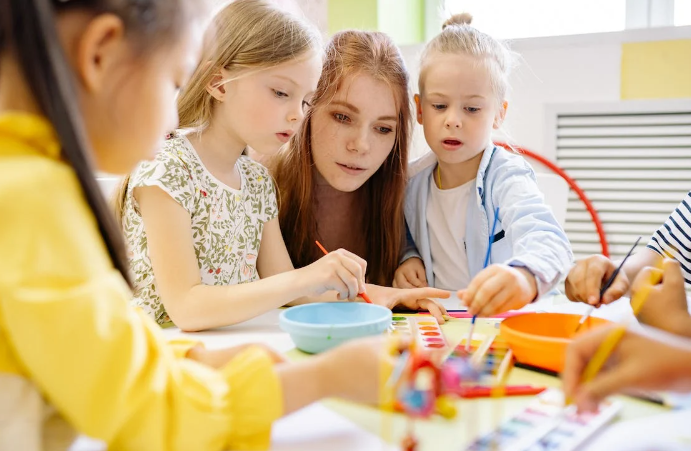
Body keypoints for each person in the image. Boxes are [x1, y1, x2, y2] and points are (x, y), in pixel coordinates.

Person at [0, 0, 410, 449]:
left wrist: (192, 358)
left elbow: (93, 354)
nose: (175, 116)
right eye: (174, 80)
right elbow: (150, 412)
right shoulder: (31, 200)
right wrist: (324, 378)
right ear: (100, 53)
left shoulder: (31, 187)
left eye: (305, 100)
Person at [116, 0, 381, 331]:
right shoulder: (167, 169)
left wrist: (387, 295)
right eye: (281, 92)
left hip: (228, 349)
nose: (297, 114)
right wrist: (303, 279)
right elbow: (186, 308)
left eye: (304, 100)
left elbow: (290, 289)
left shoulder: (257, 182)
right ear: (219, 83)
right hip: (164, 358)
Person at [394, 13, 572, 317]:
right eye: (439, 106)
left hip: (501, 321)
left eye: (472, 108)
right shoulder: (411, 180)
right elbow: (403, 231)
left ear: (498, 114)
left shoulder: (507, 177)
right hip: (442, 319)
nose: (453, 120)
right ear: (420, 109)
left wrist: (524, 275)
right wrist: (407, 257)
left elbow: (548, 240)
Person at [271, 30, 451, 321]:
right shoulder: (261, 183)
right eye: (343, 117)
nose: (361, 146)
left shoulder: (406, 196)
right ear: (309, 107)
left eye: (383, 128)